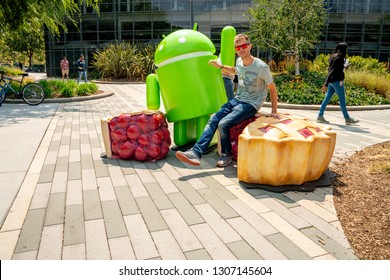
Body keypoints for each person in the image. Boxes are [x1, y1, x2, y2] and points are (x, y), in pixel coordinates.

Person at [176, 33, 280, 167]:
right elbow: (236, 71)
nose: (241, 50)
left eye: (243, 46)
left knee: (223, 123)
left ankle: (227, 155)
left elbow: (272, 88)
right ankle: (196, 153)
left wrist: (274, 110)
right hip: (238, 99)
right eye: (237, 48)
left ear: (250, 46)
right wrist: (220, 66)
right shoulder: (239, 61)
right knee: (214, 118)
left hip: (251, 104)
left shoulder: (261, 67)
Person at [317, 42, 359, 125]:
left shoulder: (333, 56)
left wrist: (344, 66)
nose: (347, 50)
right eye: (346, 49)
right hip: (337, 82)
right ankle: (347, 119)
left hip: (332, 82)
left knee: (327, 98)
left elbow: (333, 69)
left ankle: (320, 116)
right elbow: (331, 71)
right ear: (344, 49)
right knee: (342, 100)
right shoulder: (339, 58)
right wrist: (325, 84)